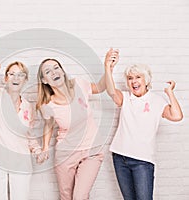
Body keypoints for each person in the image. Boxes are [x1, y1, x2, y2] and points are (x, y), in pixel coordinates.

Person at [104, 48, 183, 200]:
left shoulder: (157, 100)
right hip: (120, 158)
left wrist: (170, 93)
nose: (133, 81)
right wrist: (108, 67)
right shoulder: (126, 98)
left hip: (142, 161)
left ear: (146, 79)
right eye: (130, 78)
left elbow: (177, 116)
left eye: (138, 77)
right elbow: (111, 91)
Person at [35, 57, 109, 200]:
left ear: (62, 71)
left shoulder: (79, 85)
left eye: (56, 68)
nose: (54, 72)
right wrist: (44, 148)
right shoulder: (48, 105)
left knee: (80, 196)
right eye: (48, 71)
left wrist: (107, 67)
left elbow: (100, 87)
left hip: (92, 150)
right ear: (44, 80)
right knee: (66, 196)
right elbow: (48, 126)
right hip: (66, 155)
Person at [0, 19, 36, 200]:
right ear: (5, 78)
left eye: (20, 74)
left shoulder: (28, 106)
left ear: (25, 80)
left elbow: (29, 135)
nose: (15, 77)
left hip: (21, 162)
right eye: (11, 73)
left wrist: (37, 150)